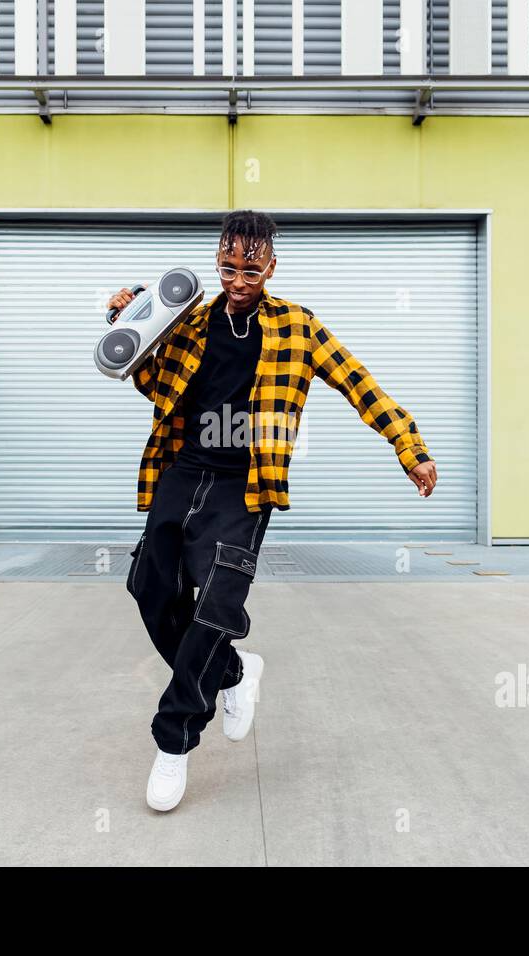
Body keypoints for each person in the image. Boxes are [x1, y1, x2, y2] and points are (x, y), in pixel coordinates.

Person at [109, 210, 437, 812]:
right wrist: (129, 318)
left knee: (217, 606)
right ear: (217, 262)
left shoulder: (298, 327)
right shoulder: (189, 321)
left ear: (272, 267)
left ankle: (174, 740)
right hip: (182, 469)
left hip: (247, 484)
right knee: (150, 587)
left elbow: (360, 384)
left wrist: (407, 447)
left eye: (251, 269)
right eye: (228, 267)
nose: (238, 280)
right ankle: (234, 671)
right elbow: (151, 383)